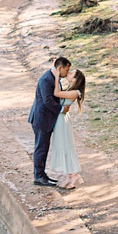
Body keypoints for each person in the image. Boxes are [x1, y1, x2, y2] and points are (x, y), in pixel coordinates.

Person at [27, 56, 72, 188]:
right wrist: (62, 109)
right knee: (41, 147)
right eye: (66, 70)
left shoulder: (55, 78)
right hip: (41, 119)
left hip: (47, 119)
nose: (67, 73)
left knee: (44, 147)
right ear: (60, 68)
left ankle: (42, 174)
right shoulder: (46, 79)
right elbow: (48, 101)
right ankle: (38, 176)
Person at [51, 69, 88, 189]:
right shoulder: (70, 90)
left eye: (71, 73)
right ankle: (69, 175)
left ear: (75, 79)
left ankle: (75, 174)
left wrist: (56, 77)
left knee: (67, 146)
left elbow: (56, 93)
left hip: (63, 121)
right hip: (60, 120)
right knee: (62, 146)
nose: (69, 73)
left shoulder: (75, 92)